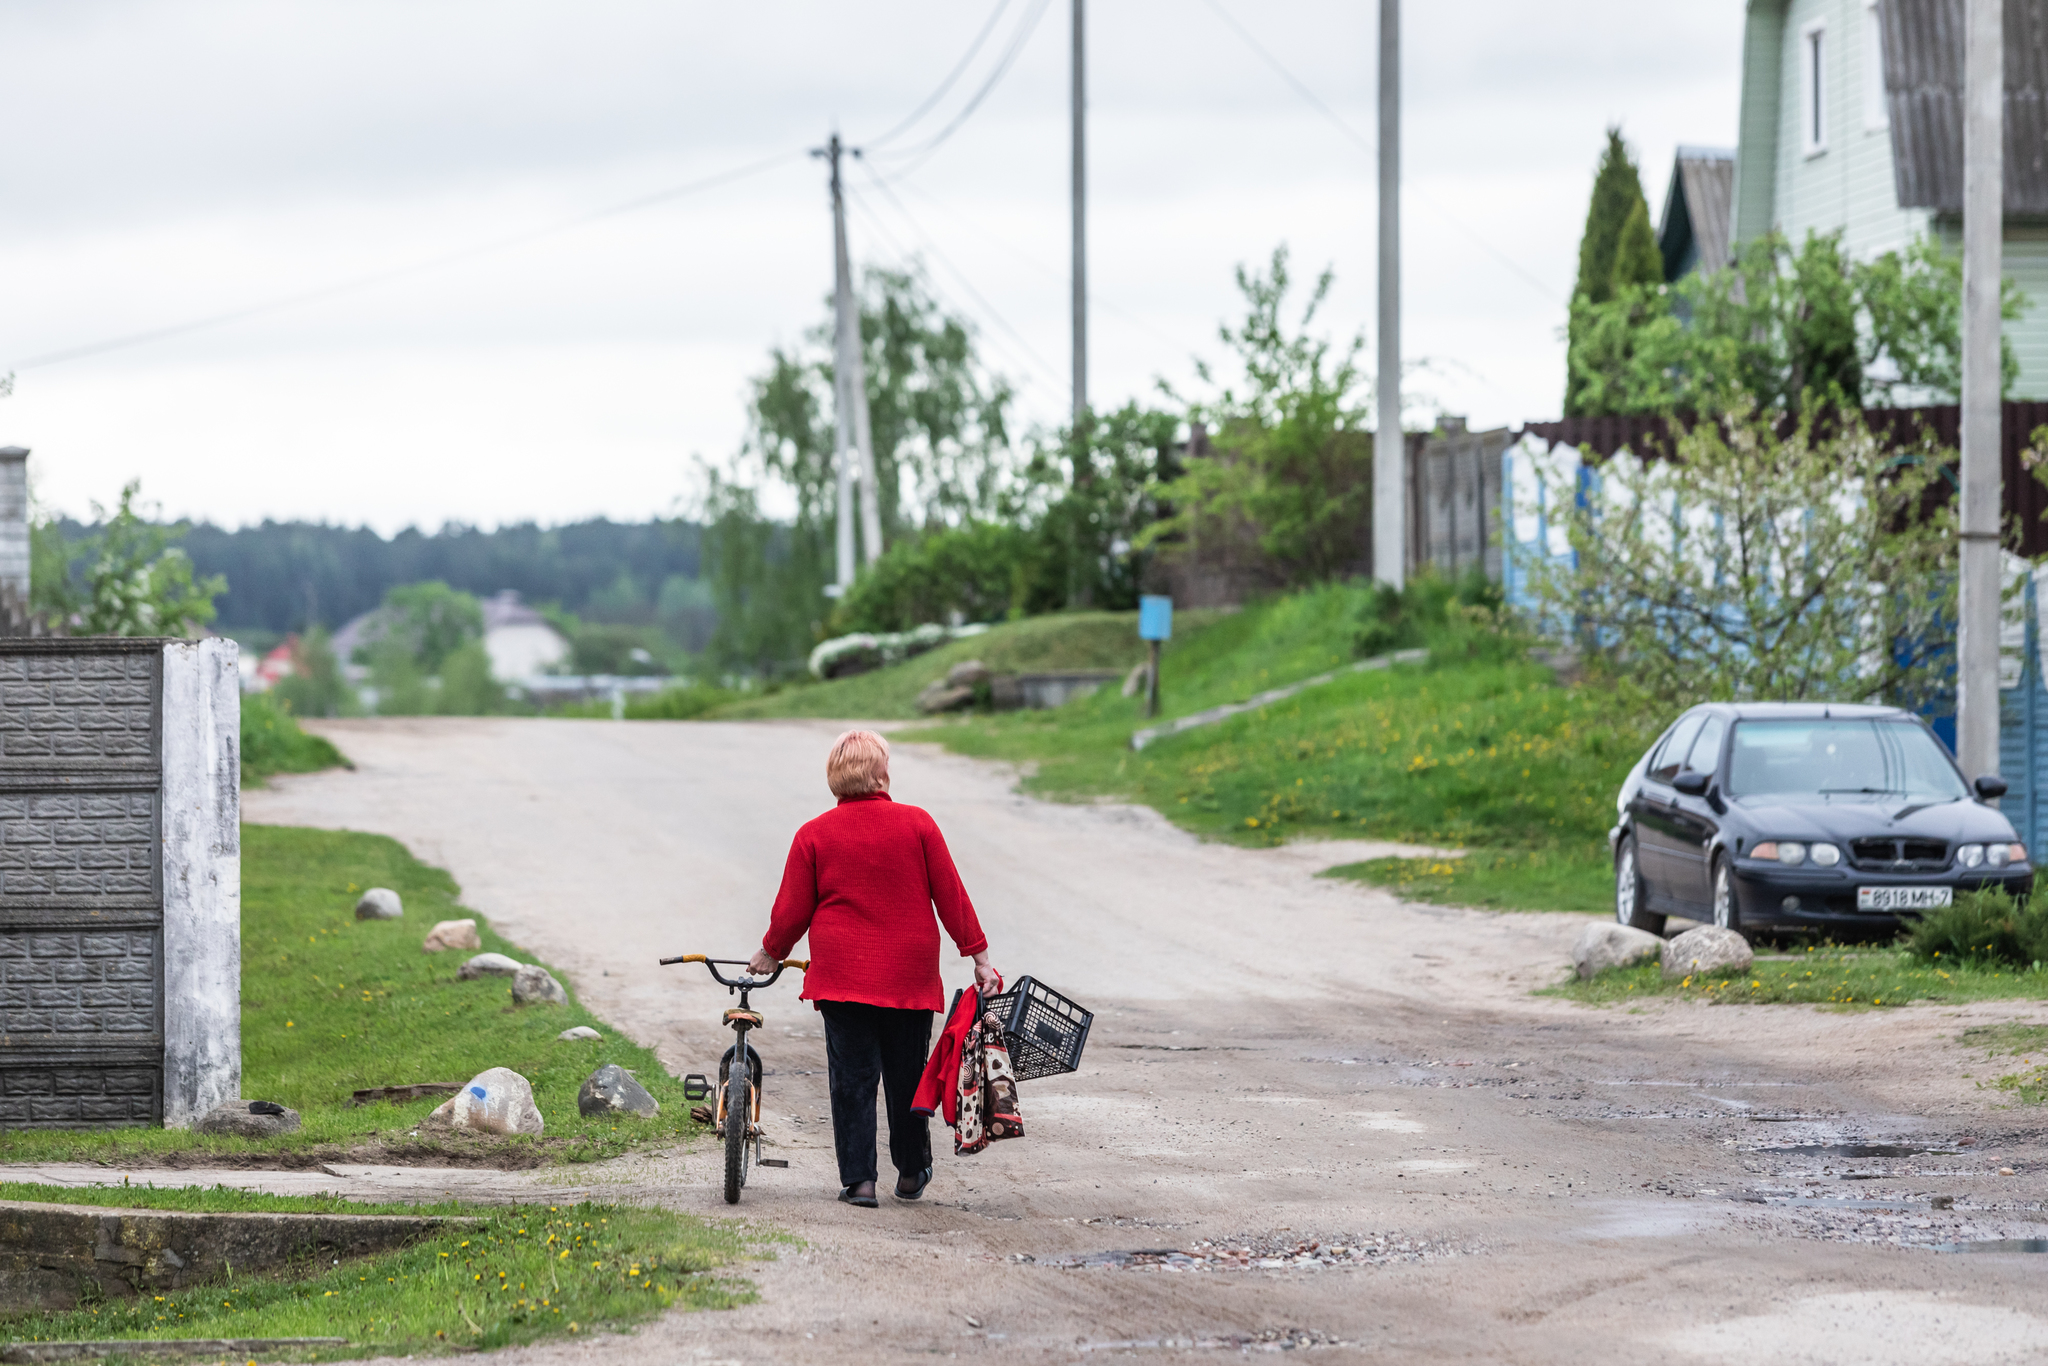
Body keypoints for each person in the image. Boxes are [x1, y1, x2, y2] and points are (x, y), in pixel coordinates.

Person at [750, 729, 1000, 1208]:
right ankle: (910, 1173)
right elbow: (952, 896)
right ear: (882, 773)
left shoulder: (814, 834)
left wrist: (771, 952)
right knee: (908, 1076)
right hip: (909, 975)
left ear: (835, 777)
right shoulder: (918, 824)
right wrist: (979, 956)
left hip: (842, 974)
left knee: (853, 1081)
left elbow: (791, 912)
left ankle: (860, 1182)